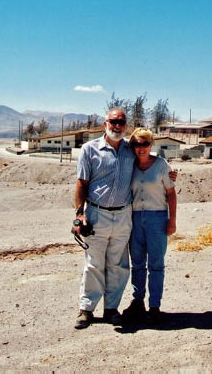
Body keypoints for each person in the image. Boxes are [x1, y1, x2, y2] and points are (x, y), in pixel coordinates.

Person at [73, 109, 177, 330]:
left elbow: (149, 159)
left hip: (123, 215)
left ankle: (111, 309)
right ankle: (86, 309)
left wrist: (170, 172)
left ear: (126, 125)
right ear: (105, 123)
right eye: (113, 121)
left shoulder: (130, 151)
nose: (117, 125)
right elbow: (81, 183)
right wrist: (79, 215)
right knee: (94, 263)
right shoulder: (89, 150)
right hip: (96, 214)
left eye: (121, 122)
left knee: (119, 264)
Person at [122, 128, 177, 325]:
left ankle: (155, 306)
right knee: (137, 263)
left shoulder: (162, 165)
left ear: (151, 144)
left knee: (156, 264)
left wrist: (172, 221)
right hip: (135, 218)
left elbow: (171, 193)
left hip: (157, 218)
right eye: (137, 144)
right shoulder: (130, 166)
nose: (141, 148)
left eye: (145, 144)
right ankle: (138, 302)